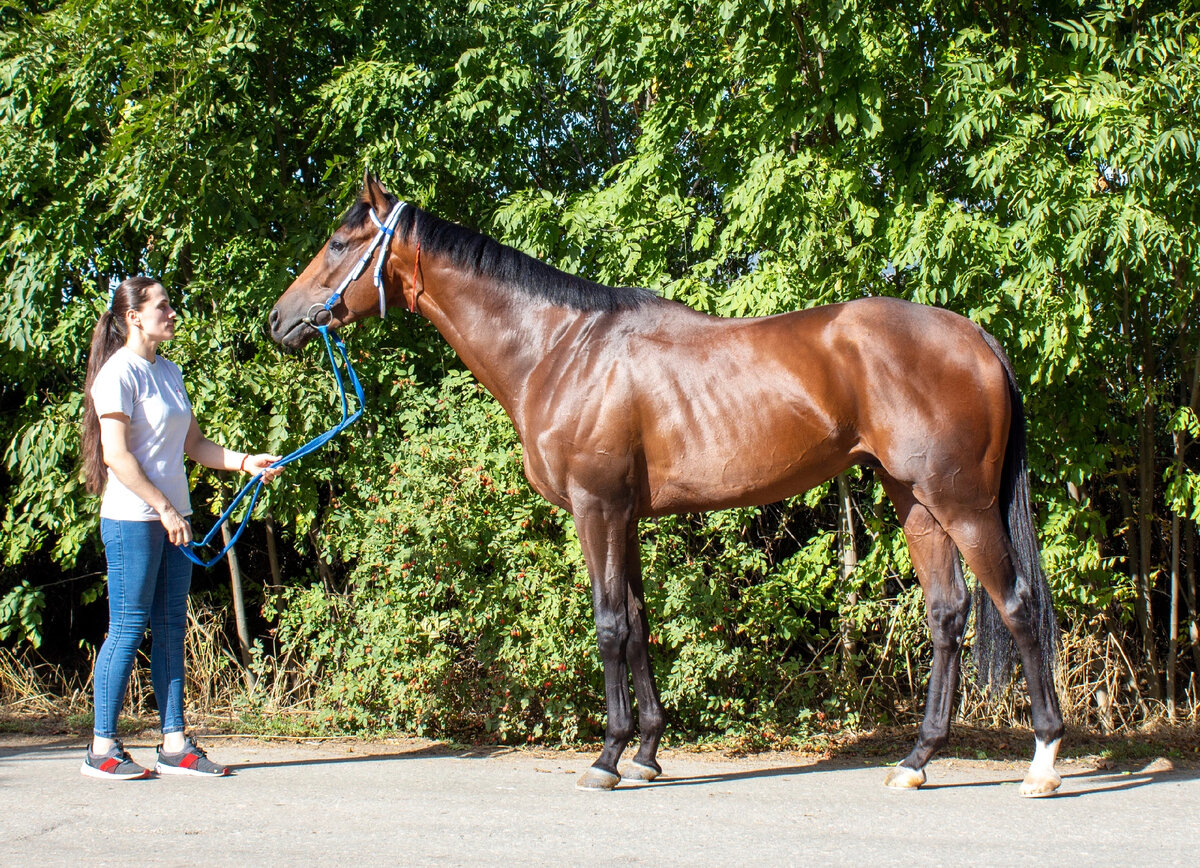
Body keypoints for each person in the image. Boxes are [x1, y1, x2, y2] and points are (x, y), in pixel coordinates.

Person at [79, 276, 281, 779]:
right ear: (134, 317)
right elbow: (117, 457)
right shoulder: (117, 374)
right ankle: (102, 747)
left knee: (170, 627)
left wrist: (243, 463)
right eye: (163, 306)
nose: (172, 314)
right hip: (133, 520)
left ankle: (174, 743)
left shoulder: (168, 372)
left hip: (173, 521)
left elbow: (195, 445)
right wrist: (165, 510)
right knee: (127, 628)